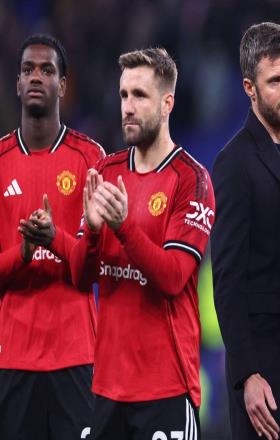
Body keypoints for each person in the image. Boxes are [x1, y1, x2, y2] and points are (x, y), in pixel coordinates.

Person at [70, 47, 214, 439]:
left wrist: (123, 227)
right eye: (123, 95)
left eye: (140, 95)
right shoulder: (105, 171)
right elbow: (80, 278)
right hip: (106, 389)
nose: (128, 107)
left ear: (167, 103)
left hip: (166, 389)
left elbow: (172, 277)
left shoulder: (191, 180)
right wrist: (94, 232)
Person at [211, 22, 280, 440]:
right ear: (249, 88)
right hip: (265, 368)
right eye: (275, 81)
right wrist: (247, 375)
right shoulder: (232, 164)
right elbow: (227, 281)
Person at [0, 34, 104, 440]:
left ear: (63, 85)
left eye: (47, 70)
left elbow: (92, 269)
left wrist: (53, 238)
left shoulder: (90, 159)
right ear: (17, 84)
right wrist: (23, 253)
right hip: (13, 361)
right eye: (28, 69)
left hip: (76, 357)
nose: (36, 77)